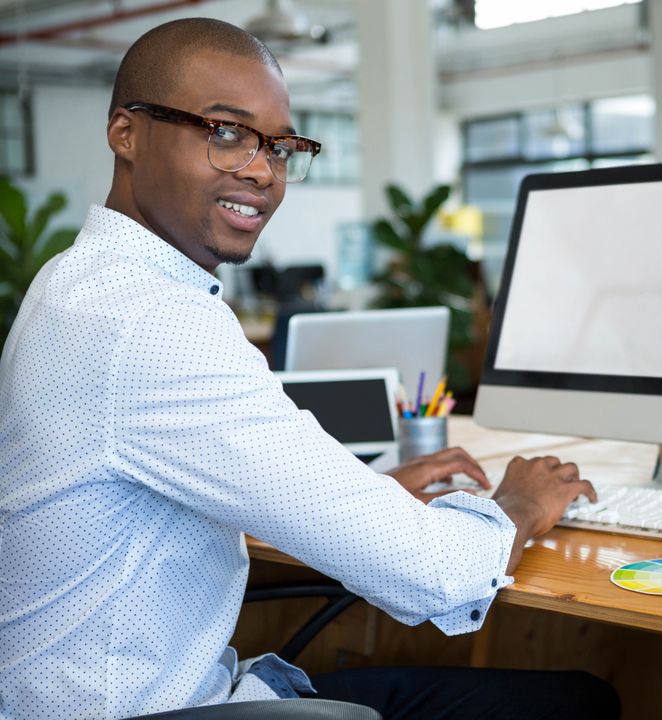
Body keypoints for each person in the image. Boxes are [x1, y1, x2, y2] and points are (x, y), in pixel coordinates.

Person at [0, 18, 619, 720]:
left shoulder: (77, 281)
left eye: (282, 146)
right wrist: (521, 506)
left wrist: (362, 494)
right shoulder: (151, 322)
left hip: (98, 694)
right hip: (144, 710)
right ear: (126, 132)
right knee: (573, 703)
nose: (262, 170)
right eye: (225, 131)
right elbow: (434, 573)